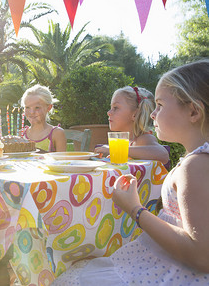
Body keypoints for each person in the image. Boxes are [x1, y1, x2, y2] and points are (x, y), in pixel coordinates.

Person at [53, 59, 209, 285]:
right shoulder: (197, 160)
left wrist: (134, 209)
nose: (153, 114)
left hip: (174, 274)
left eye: (160, 105)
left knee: (69, 276)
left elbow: (202, 256)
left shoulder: (195, 166)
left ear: (193, 111)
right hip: (165, 263)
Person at [95, 85, 169, 164]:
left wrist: (116, 150)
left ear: (135, 114)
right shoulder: (127, 141)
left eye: (115, 108)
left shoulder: (143, 139)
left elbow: (163, 154)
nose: (109, 112)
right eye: (111, 108)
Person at [20, 85, 66, 152]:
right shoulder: (21, 134)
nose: (32, 112)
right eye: (27, 107)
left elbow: (62, 161)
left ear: (49, 107)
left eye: (37, 107)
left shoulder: (57, 133)